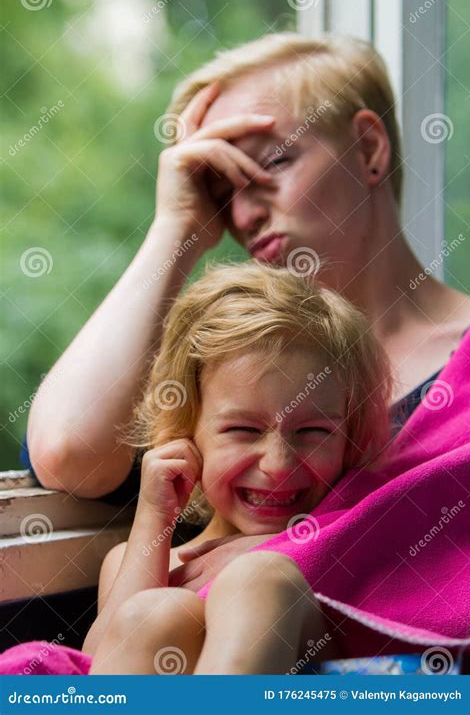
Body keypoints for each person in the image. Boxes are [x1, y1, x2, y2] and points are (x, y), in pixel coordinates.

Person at [26, 31, 470, 586]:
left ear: (369, 149)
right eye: (222, 189)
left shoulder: (464, 364)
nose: (243, 214)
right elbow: (70, 452)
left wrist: (303, 550)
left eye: (274, 162)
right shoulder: (229, 365)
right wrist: (178, 228)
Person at [82, 261, 392, 674]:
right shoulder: (140, 560)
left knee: (259, 579)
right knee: (151, 614)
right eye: (244, 429)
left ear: (350, 436)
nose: (279, 465)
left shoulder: (352, 532)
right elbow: (96, 670)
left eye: (315, 431)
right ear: (186, 429)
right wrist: (154, 517)